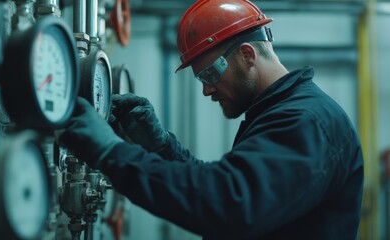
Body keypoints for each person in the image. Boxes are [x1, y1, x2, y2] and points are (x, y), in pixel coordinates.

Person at [57, 0, 364, 239]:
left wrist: (111, 152)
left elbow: (228, 202)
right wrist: (161, 148)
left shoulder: (306, 122)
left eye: (210, 74)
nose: (206, 90)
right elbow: (222, 185)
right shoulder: (277, 113)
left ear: (247, 55)